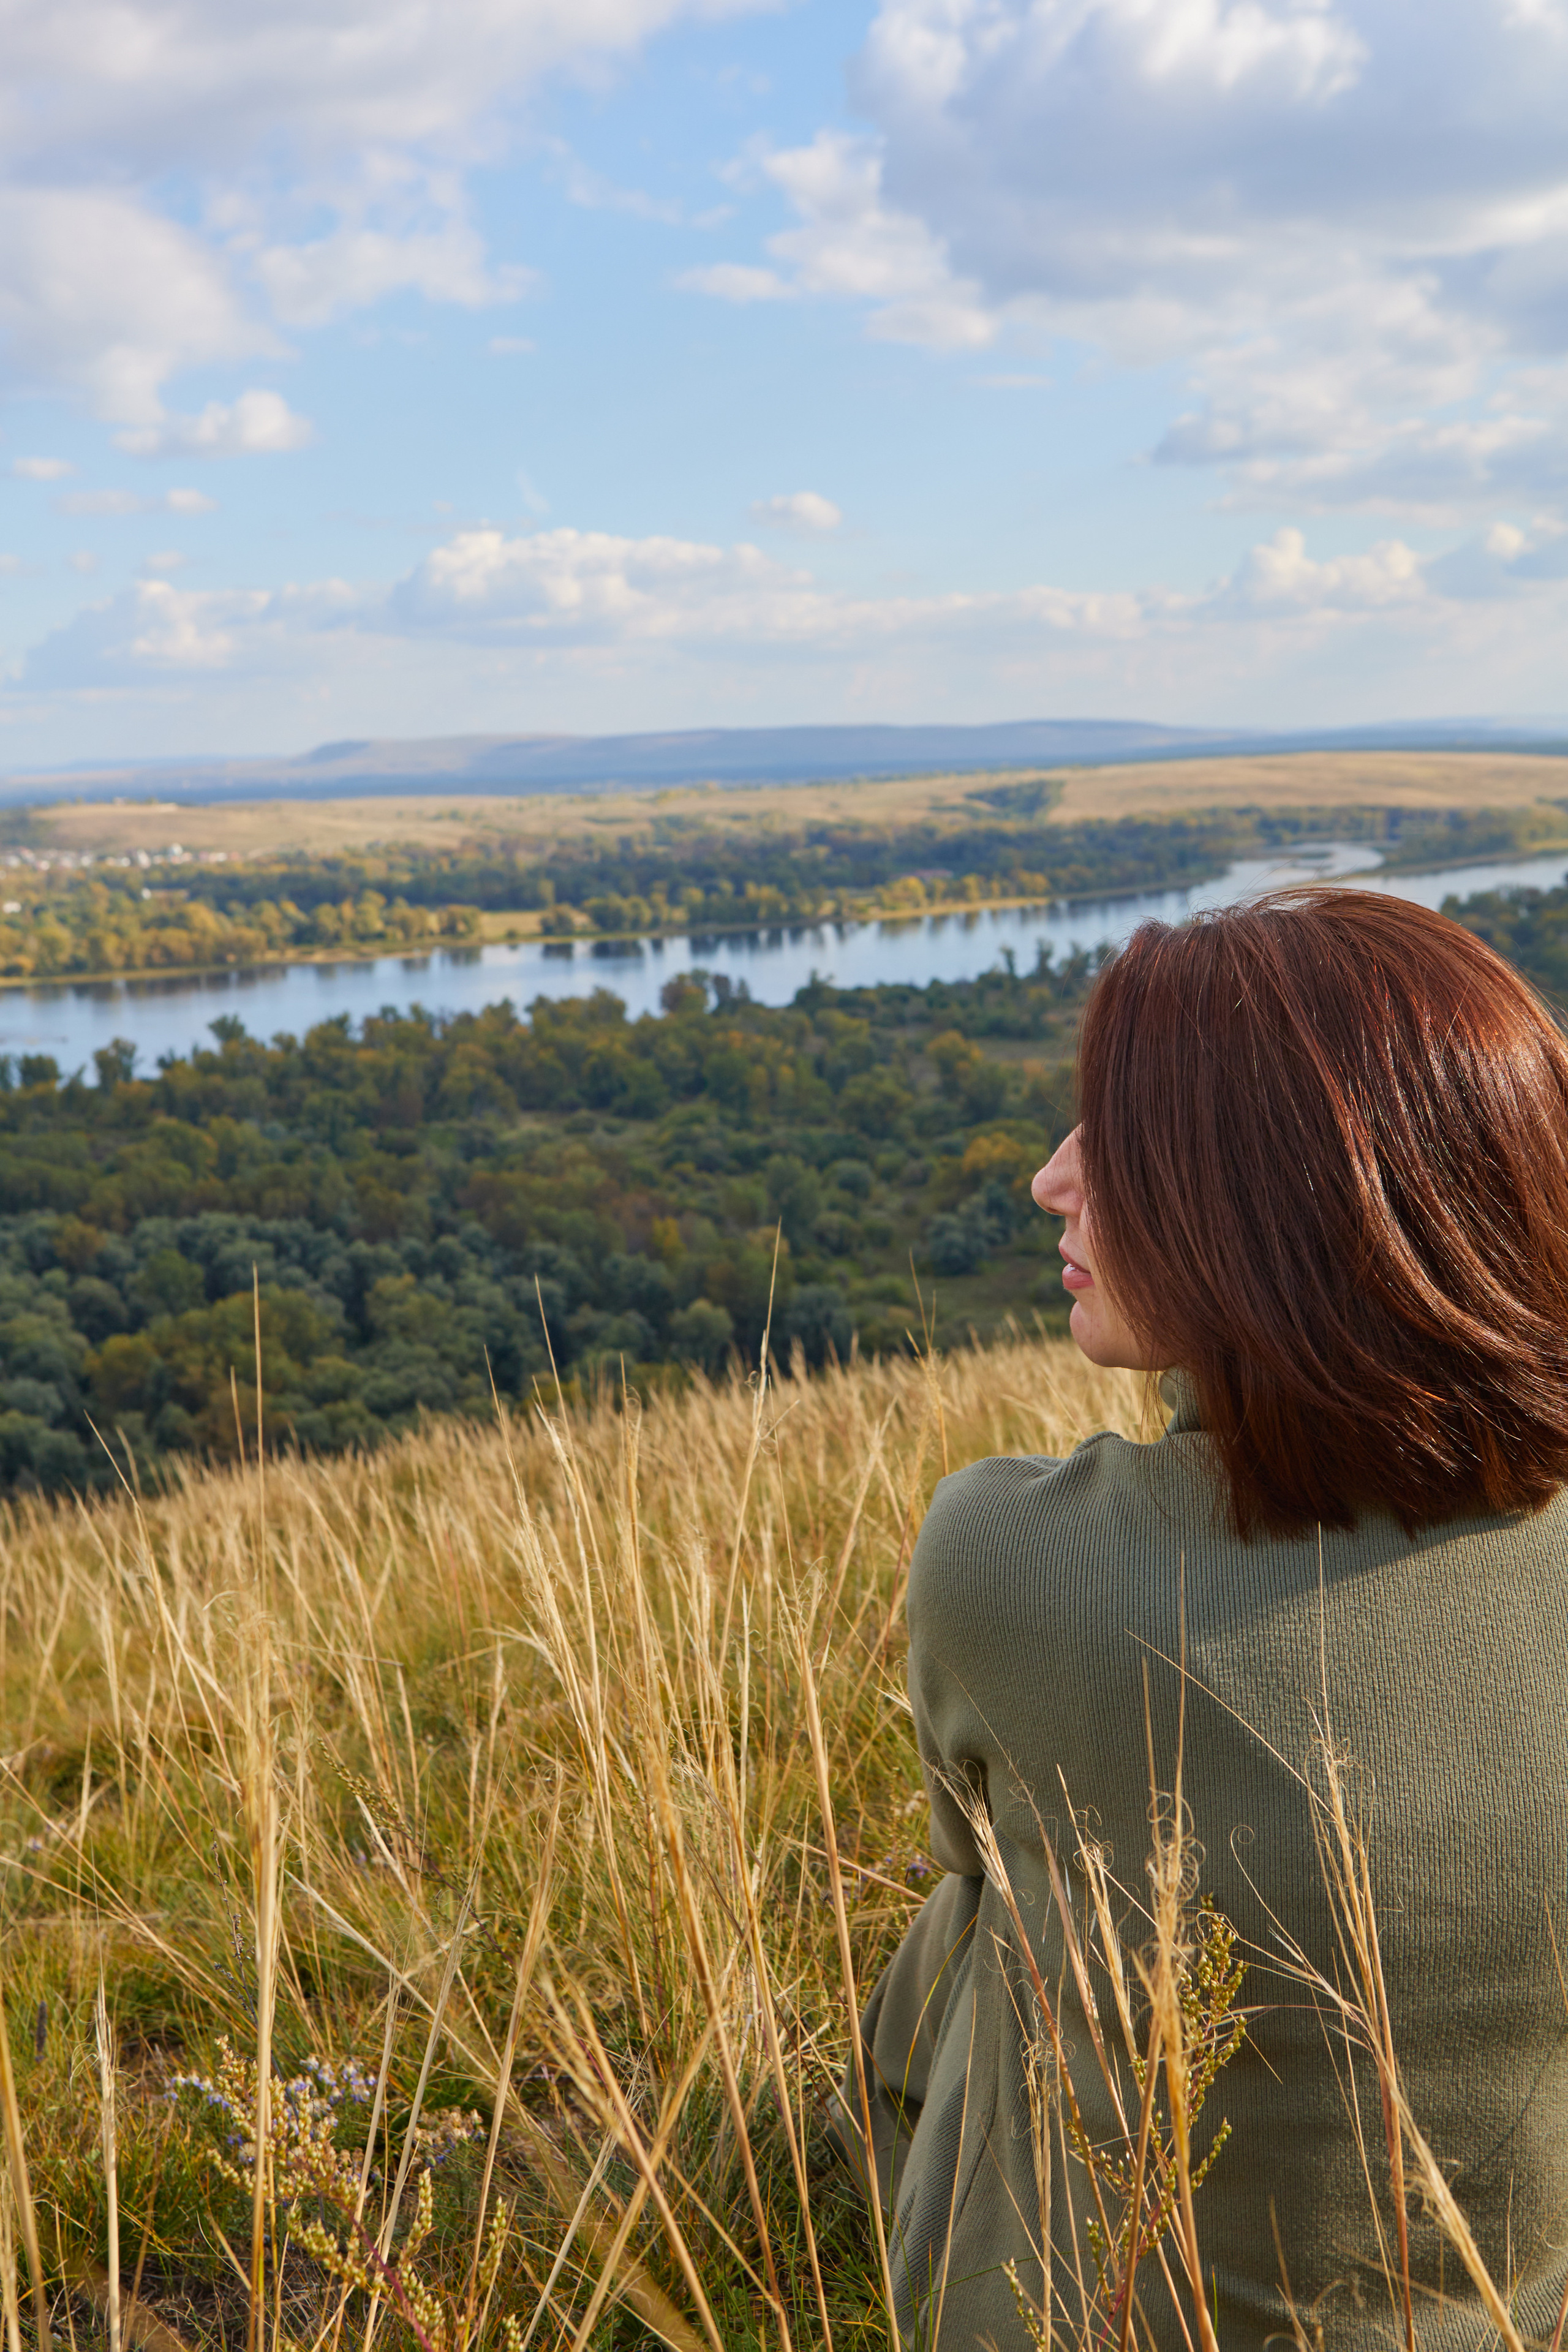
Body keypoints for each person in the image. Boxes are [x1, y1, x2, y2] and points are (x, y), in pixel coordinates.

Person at [846, 888, 1568, 2351]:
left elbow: (968, 1874)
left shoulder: (1008, 1558)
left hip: (1076, 2312)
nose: (1052, 1182)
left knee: (973, 1923)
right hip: (1511, 2305)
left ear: (1267, 1202)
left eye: (1116, 1147)